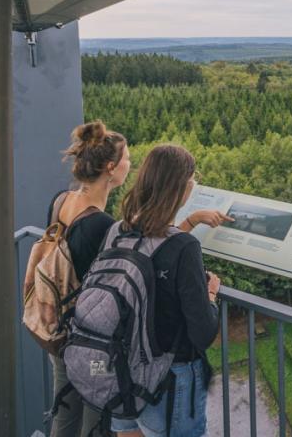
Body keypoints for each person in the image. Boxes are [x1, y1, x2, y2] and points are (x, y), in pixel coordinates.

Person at [110, 144, 232, 437]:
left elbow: (154, 250)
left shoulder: (118, 231)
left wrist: (190, 222)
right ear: (182, 186)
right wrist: (211, 295)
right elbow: (202, 332)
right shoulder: (185, 248)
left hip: (122, 372)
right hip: (169, 380)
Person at [47, 121, 129, 437]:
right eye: (127, 160)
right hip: (92, 344)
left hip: (60, 327)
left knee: (65, 414)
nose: (129, 165)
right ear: (110, 168)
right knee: (97, 420)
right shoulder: (102, 226)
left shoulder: (61, 200)